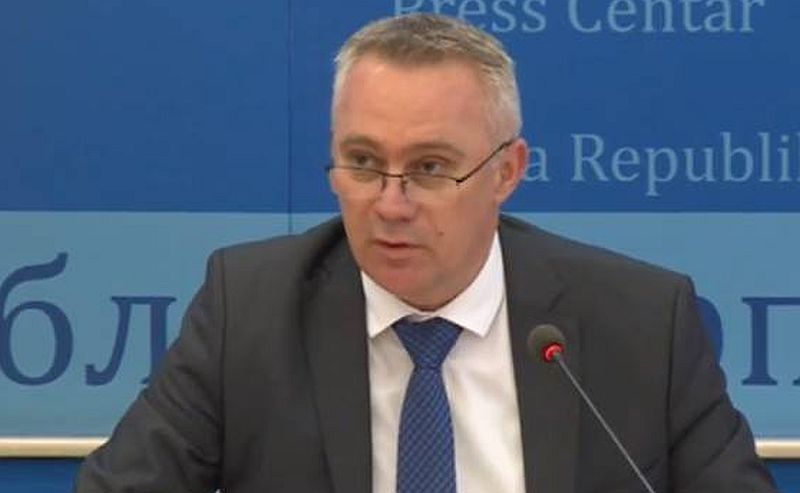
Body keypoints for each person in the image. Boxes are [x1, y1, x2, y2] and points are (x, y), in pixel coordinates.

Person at [75, 13, 776, 493]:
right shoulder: (251, 309)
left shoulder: (643, 322)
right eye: (362, 161)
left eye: (430, 167)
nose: (390, 203)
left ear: (507, 171)